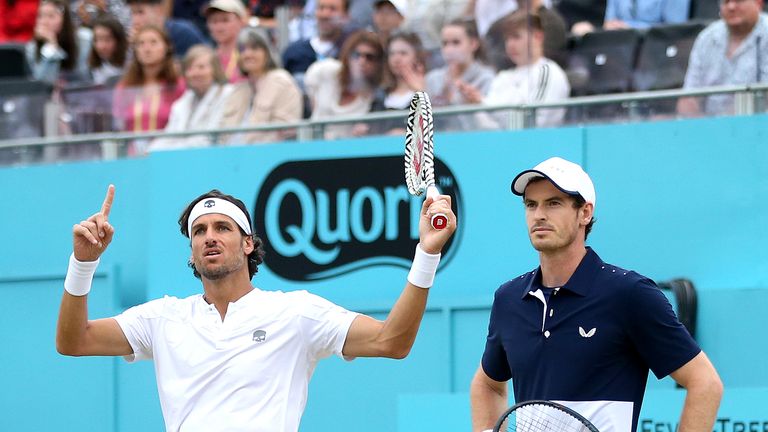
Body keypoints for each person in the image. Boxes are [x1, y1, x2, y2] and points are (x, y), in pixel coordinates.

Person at [56, 185, 456, 431]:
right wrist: (83, 263)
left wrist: (425, 254)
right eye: (200, 231)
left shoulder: (296, 312)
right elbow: (74, 341)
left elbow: (392, 341)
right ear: (192, 252)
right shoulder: (162, 318)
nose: (209, 238)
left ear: (248, 243)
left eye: (222, 228)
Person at [469, 156, 723, 432]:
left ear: (585, 213)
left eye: (553, 203)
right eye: (531, 205)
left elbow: (705, 383)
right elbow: (488, 384)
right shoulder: (509, 298)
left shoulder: (630, 294)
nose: (538, 214)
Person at [476, 12, 570, 128]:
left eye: (516, 37)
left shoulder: (548, 72)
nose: (510, 44)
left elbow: (534, 121)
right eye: (507, 39)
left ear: (538, 37)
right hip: (499, 144)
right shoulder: (503, 76)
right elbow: (486, 124)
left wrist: (484, 104)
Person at [678, 0, 768, 116]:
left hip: (760, 126)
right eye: (726, 2)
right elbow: (689, 98)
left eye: (738, 1)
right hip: (710, 128)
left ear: (758, 3)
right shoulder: (706, 38)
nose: (731, 7)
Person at [219, 27, 303, 144]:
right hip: (230, 156)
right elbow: (222, 133)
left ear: (267, 52)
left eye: (254, 48)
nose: (247, 54)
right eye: (242, 49)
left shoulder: (281, 81)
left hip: (268, 156)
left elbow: (285, 132)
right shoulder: (239, 89)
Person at [112, 25, 185, 153]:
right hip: (132, 159)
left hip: (167, 154)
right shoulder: (125, 87)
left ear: (166, 47)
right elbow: (117, 126)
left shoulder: (178, 85)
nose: (147, 49)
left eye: (153, 42)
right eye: (141, 43)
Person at [150, 45, 234, 151]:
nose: (195, 73)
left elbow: (212, 138)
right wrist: (151, 151)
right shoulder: (182, 102)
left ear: (215, 70)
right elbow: (168, 136)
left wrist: (175, 149)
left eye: (201, 67)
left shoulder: (227, 94)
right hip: (182, 159)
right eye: (190, 68)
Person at [304, 30, 385, 139]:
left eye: (369, 57)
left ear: (378, 63)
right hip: (311, 143)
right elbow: (310, 86)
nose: (361, 61)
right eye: (356, 55)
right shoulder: (328, 70)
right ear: (348, 55)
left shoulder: (374, 98)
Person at [424, 18, 494, 131]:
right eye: (445, 43)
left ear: (473, 44)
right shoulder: (432, 79)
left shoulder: (487, 78)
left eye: (456, 43)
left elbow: (492, 125)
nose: (449, 49)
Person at [281, 0, 351, 90]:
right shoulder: (294, 52)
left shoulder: (353, 52)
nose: (325, 15)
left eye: (332, 9)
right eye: (321, 8)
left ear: (346, 15)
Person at [370, 31, 427, 135]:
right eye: (392, 54)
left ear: (417, 56)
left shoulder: (429, 87)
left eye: (403, 53)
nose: (396, 59)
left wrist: (420, 91)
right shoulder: (380, 96)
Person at [26, 0, 91, 84]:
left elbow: (85, 78)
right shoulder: (32, 47)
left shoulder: (84, 40)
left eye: (51, 16)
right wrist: (51, 46)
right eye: (40, 16)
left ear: (65, 19)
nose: (44, 22)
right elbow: (42, 84)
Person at [126, 0, 208, 57]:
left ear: (158, 10)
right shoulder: (135, 37)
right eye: (132, 13)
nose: (135, 20)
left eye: (140, 12)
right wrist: (133, 47)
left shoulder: (181, 32)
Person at [203, 0, 248, 83]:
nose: (219, 27)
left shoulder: (250, 56)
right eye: (214, 21)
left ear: (241, 21)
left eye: (225, 20)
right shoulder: (205, 59)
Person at [87, 13, 128, 85]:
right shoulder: (94, 66)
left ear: (119, 41)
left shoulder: (130, 63)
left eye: (107, 40)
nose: (101, 46)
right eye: (97, 40)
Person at [603, 0, 690, 30]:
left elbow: (676, 31)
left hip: (655, 53)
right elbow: (609, 23)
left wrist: (632, 29)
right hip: (618, 50)